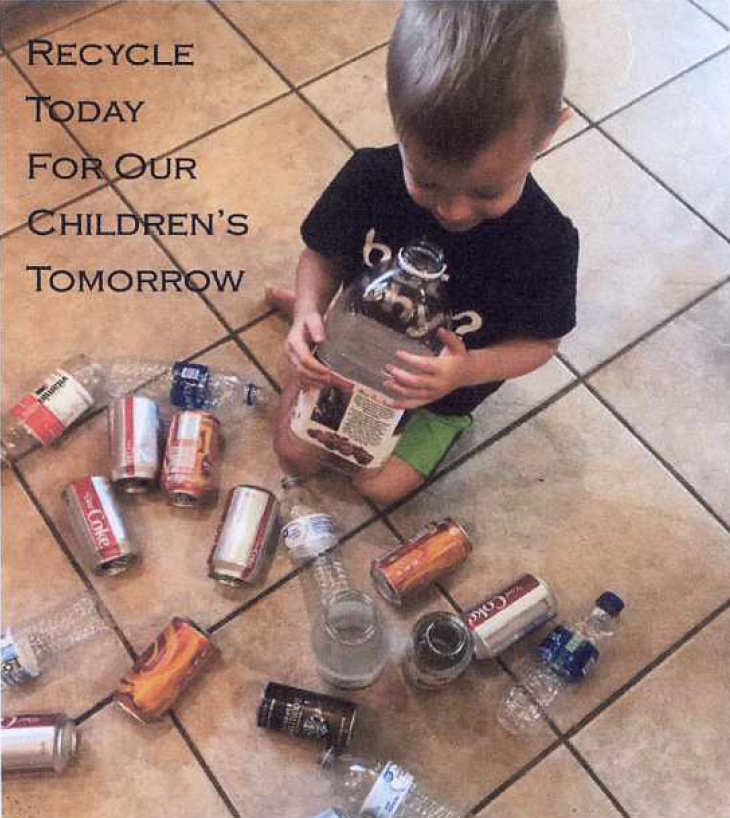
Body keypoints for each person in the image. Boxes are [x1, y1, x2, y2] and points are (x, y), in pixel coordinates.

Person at [270, 0, 579, 505]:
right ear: (397, 116)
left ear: (549, 134)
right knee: (294, 453)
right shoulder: (371, 176)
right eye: (427, 181)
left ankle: (448, 423)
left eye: (486, 192)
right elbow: (321, 255)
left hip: (442, 394)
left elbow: (541, 345)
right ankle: (318, 323)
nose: (454, 210)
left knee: (380, 487)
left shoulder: (546, 242)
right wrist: (307, 309)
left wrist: (465, 374)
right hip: (349, 358)